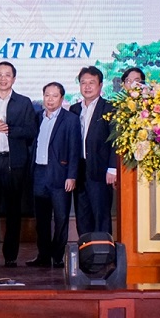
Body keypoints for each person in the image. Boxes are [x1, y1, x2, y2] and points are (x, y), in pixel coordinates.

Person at [0, 61, 39, 267]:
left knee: (14, 210)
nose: (3, 78)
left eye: (7, 75)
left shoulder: (24, 102)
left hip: (15, 162)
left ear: (14, 78)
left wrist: (8, 129)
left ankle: (11, 256)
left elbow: (32, 131)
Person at [27, 82, 81, 268]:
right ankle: (43, 255)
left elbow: (74, 149)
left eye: (54, 96)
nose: (50, 99)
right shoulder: (37, 117)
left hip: (60, 174)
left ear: (62, 98)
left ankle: (58, 257)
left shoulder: (70, 119)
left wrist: (72, 176)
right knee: (41, 220)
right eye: (47, 95)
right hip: (39, 173)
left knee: (61, 218)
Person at [70, 66, 116, 235]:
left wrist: (113, 168)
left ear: (100, 85)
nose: (87, 86)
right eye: (83, 83)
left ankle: (103, 250)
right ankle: (85, 249)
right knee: (82, 216)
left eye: (92, 82)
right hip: (80, 170)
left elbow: (116, 141)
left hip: (100, 170)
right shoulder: (74, 109)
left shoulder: (109, 108)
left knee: (100, 215)